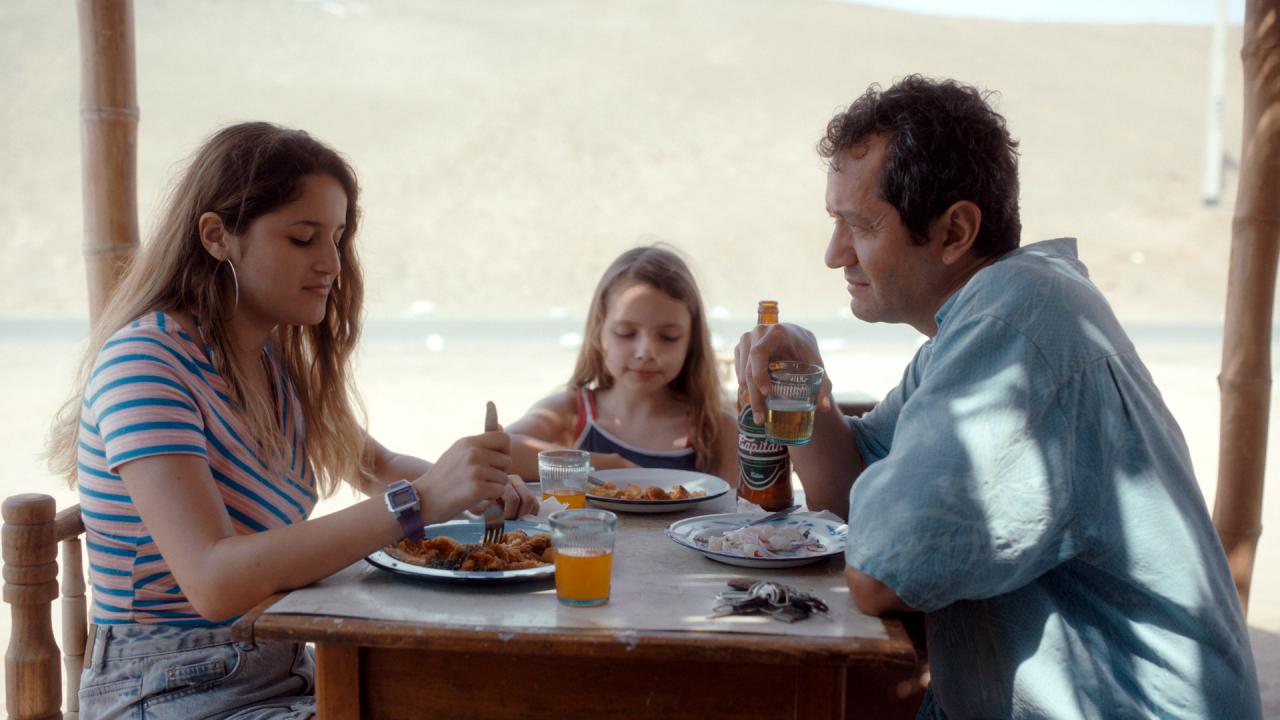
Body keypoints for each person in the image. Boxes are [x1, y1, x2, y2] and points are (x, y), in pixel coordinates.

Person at [736, 76, 1262, 719]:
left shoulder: (1015, 322)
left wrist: (888, 503)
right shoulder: (977, 325)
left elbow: (882, 574)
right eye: (834, 222)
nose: (833, 254)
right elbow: (847, 498)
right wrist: (806, 386)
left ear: (955, 230)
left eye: (860, 225)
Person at [47, 122, 536, 719]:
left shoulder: (271, 361)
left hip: (281, 669)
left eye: (337, 238)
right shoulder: (145, 364)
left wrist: (472, 489)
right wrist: (420, 501)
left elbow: (375, 466)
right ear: (217, 236)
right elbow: (212, 580)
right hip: (167, 691)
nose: (331, 263)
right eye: (304, 238)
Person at [506, 245, 738, 484]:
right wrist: (605, 465)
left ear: (691, 342)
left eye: (668, 337)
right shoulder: (570, 413)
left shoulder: (717, 429)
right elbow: (496, 451)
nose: (645, 352)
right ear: (599, 334)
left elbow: (735, 517)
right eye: (625, 333)